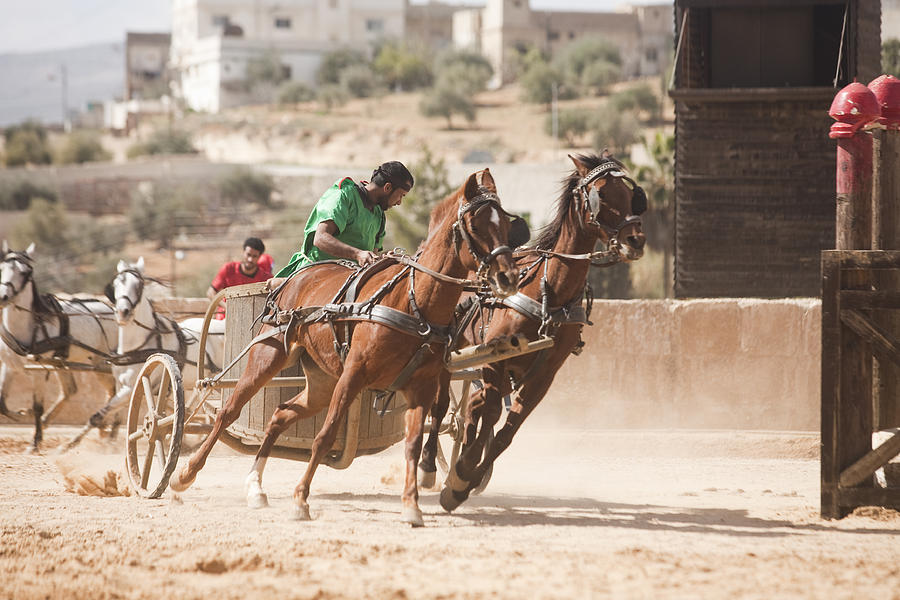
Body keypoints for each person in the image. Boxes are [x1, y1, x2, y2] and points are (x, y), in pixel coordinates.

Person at [276, 161, 414, 278]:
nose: (399, 202)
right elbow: (320, 239)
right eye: (401, 195)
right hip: (313, 276)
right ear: (387, 187)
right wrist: (357, 254)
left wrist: (384, 259)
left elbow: (370, 256)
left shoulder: (379, 215)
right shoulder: (343, 196)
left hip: (347, 282)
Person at [208, 237, 273, 319]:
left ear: (260, 257)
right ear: (243, 252)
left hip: (252, 320)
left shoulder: (266, 278)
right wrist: (228, 308)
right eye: (248, 255)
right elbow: (210, 293)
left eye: (254, 256)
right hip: (225, 318)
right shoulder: (228, 269)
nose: (250, 259)